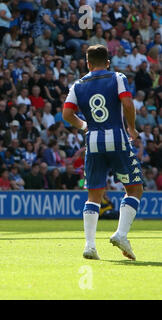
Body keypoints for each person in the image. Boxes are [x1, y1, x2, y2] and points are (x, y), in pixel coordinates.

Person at [63, 45, 143, 261]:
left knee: (94, 194)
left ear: (87, 63)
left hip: (93, 142)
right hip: (117, 138)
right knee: (135, 188)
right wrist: (132, 128)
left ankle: (90, 246)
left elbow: (67, 113)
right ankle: (121, 234)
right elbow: (127, 102)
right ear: (107, 61)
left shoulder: (78, 85)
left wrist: (83, 126)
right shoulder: (117, 77)